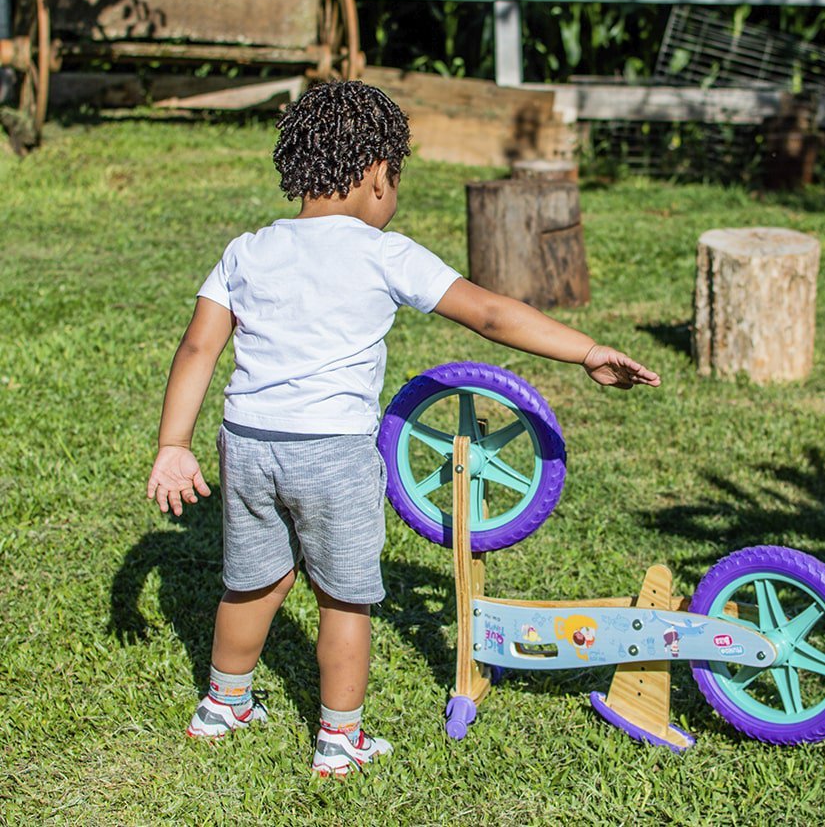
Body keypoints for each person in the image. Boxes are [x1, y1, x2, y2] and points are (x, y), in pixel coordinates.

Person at [145, 80, 660, 778]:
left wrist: (173, 446)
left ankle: (222, 705)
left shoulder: (248, 250)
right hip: (330, 451)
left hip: (248, 442)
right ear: (376, 175)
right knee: (343, 594)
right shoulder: (382, 253)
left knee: (254, 580)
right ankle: (339, 739)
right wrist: (587, 349)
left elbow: (198, 347)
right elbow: (492, 315)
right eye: (398, 179)